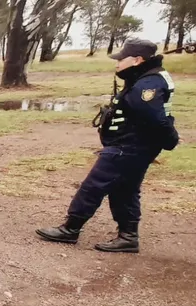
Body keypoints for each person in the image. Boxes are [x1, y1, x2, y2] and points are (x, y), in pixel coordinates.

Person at [36, 39, 178, 253]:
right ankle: (128, 237)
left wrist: (170, 139)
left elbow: (155, 118)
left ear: (138, 60)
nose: (117, 63)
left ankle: (70, 229)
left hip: (130, 146)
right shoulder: (146, 78)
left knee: (94, 185)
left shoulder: (147, 84)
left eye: (122, 59)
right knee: (125, 189)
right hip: (134, 146)